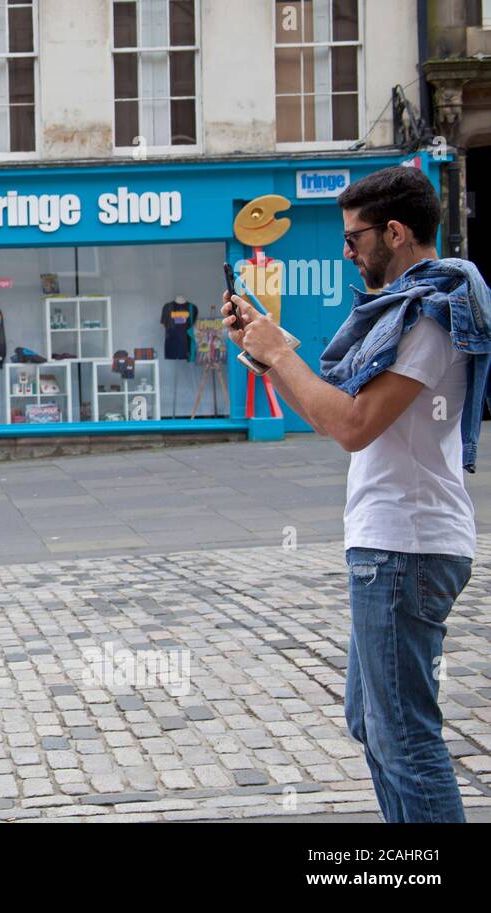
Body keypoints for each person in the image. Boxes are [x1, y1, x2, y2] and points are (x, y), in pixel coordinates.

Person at [225, 165, 491, 822]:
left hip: (408, 543)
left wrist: (281, 357)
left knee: (404, 736)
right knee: (373, 723)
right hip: (394, 542)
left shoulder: (430, 317)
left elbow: (350, 425)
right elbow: (330, 414)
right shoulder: (407, 311)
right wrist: (271, 353)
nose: (346, 250)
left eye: (354, 237)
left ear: (395, 232)